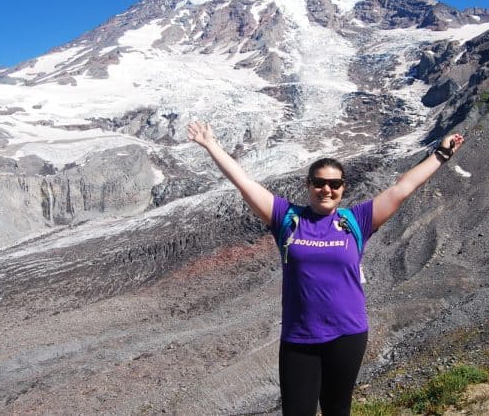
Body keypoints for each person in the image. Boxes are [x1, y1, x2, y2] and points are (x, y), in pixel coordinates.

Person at [187, 121, 464, 416]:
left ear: (343, 187)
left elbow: (402, 188)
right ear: (308, 185)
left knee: (336, 410)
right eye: (319, 182)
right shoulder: (286, 218)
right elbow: (245, 184)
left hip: (347, 334)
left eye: (334, 184)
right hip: (299, 337)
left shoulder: (357, 220)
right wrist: (211, 145)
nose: (326, 189)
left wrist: (441, 155)